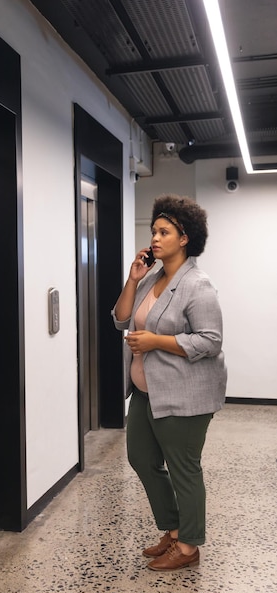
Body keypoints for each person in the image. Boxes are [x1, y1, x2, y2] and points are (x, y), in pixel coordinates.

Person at [112, 195, 227, 571]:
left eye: (164, 232)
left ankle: (189, 548)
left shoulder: (198, 285)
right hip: (147, 392)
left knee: (183, 468)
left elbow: (211, 341)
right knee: (141, 458)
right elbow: (121, 318)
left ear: (185, 238)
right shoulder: (153, 279)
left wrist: (156, 342)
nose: (155, 238)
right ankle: (174, 530)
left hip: (184, 394)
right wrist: (133, 280)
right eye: (153, 232)